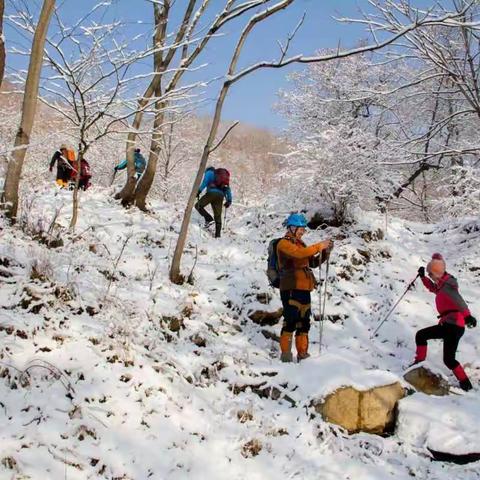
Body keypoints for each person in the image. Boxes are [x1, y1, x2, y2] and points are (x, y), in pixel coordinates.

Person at [413, 253, 476, 391]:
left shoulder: (448, 286)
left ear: (436, 272)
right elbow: (432, 288)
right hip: (452, 325)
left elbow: (459, 301)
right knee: (448, 359)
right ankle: (466, 385)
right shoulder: (442, 285)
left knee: (421, 336)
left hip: (453, 325)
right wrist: (423, 277)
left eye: (430, 273)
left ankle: (418, 364)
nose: (430, 275)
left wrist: (468, 316)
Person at [277, 213, 333, 362]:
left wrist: (324, 253)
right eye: (300, 229)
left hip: (304, 288)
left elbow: (311, 263)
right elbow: (299, 255)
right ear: (292, 228)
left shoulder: (301, 244)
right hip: (290, 287)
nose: (302, 232)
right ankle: (286, 356)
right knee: (290, 321)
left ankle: (303, 354)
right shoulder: (284, 244)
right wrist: (319, 245)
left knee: (304, 322)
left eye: (303, 230)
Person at [195, 166, 232, 238]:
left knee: (198, 205)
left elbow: (205, 182)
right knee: (218, 215)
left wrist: (199, 191)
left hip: (211, 193)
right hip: (220, 196)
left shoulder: (209, 173)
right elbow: (228, 189)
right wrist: (229, 200)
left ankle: (209, 219)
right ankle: (218, 236)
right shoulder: (222, 177)